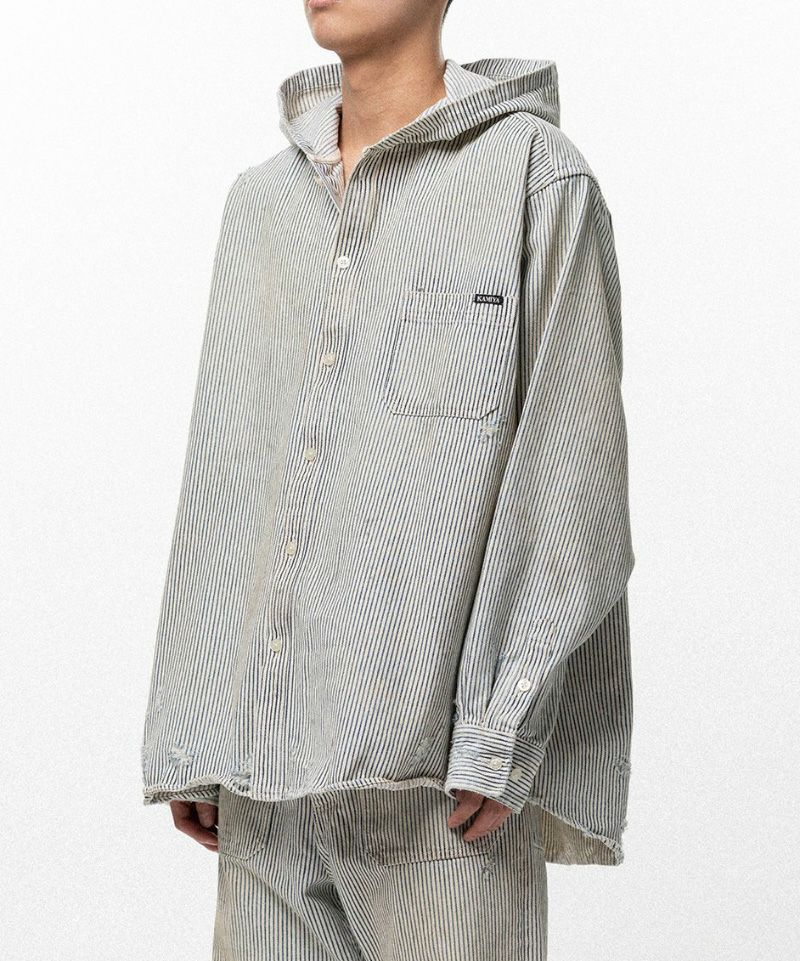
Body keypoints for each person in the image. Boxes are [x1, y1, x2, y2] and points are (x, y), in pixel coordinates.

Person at [141, 0, 636, 958]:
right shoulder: (261, 206)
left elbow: (572, 472)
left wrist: (502, 725)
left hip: (440, 788)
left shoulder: (533, 175)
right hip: (265, 787)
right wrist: (195, 727)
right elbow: (227, 471)